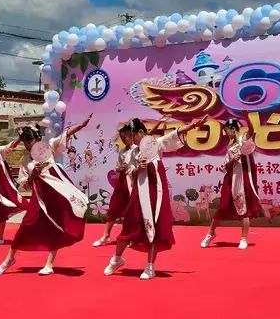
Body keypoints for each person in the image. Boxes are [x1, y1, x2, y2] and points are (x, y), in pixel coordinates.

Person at [104, 115, 208, 280]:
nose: (132, 140)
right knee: (130, 224)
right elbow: (130, 171)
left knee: (154, 224)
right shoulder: (132, 153)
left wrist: (193, 126)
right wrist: (138, 168)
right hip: (139, 193)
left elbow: (174, 134)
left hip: (156, 193)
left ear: (140, 133)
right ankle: (116, 259)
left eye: (133, 136)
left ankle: (150, 266)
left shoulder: (155, 145)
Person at [0, 116, 92, 276]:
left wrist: (81, 124)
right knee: (25, 226)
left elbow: (65, 134)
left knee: (56, 227)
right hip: (39, 199)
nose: (27, 146)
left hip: (55, 197)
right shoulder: (26, 161)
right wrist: (33, 174)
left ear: (37, 139)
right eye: (25, 143)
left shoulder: (49, 147)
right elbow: (25, 184)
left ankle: (49, 264)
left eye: (29, 142)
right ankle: (9, 259)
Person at [201, 117, 262, 249]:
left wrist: (247, 117)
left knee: (244, 208)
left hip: (243, 178)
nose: (226, 133)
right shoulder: (229, 145)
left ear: (233, 129)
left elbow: (251, 130)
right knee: (222, 206)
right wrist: (232, 160)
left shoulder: (242, 140)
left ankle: (244, 238)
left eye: (227, 130)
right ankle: (211, 233)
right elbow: (225, 166)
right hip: (230, 179)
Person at [92, 124, 137, 247]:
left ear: (131, 136)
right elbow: (117, 168)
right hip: (122, 183)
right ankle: (105, 236)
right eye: (122, 138)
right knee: (114, 208)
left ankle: (132, 237)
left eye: (125, 137)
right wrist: (120, 168)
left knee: (132, 211)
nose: (123, 140)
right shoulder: (122, 151)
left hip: (134, 182)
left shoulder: (137, 149)